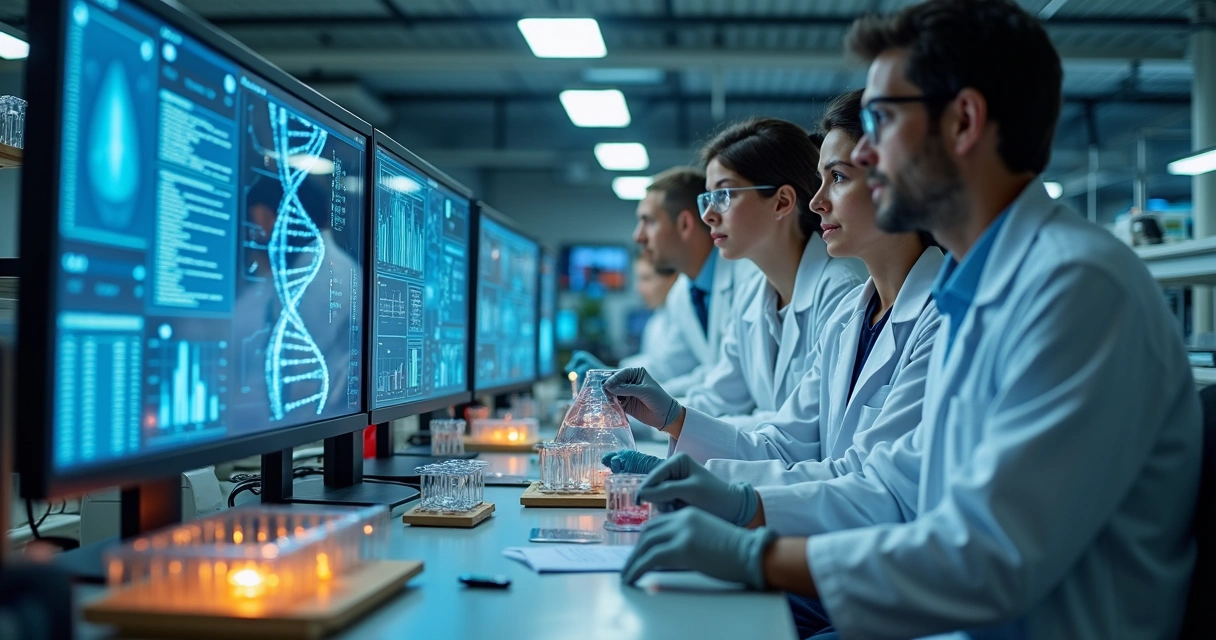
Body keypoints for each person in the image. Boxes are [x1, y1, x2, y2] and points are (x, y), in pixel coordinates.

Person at [615, 2, 1202, 638]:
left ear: (964, 122)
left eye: (881, 120)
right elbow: (898, 486)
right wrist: (739, 500)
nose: (867, 153)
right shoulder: (977, 288)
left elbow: (987, 558)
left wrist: (755, 551)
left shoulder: (1075, 287)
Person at [605, 89, 943, 490]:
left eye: (837, 177)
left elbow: (871, 484)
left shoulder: (932, 317)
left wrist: (732, 498)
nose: (816, 201)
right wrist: (674, 418)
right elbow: (785, 442)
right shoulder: (847, 316)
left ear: (899, 183)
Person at [566, 167, 761, 397]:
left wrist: (640, 397)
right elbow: (669, 366)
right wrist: (612, 376)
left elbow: (729, 381)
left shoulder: (749, 277)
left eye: (648, 221)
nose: (638, 236)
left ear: (685, 224)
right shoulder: (683, 293)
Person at [618, 255, 686, 376]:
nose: (639, 289)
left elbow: (669, 367)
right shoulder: (656, 321)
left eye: (646, 279)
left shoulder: (686, 317)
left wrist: (617, 371)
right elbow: (652, 365)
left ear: (673, 278)